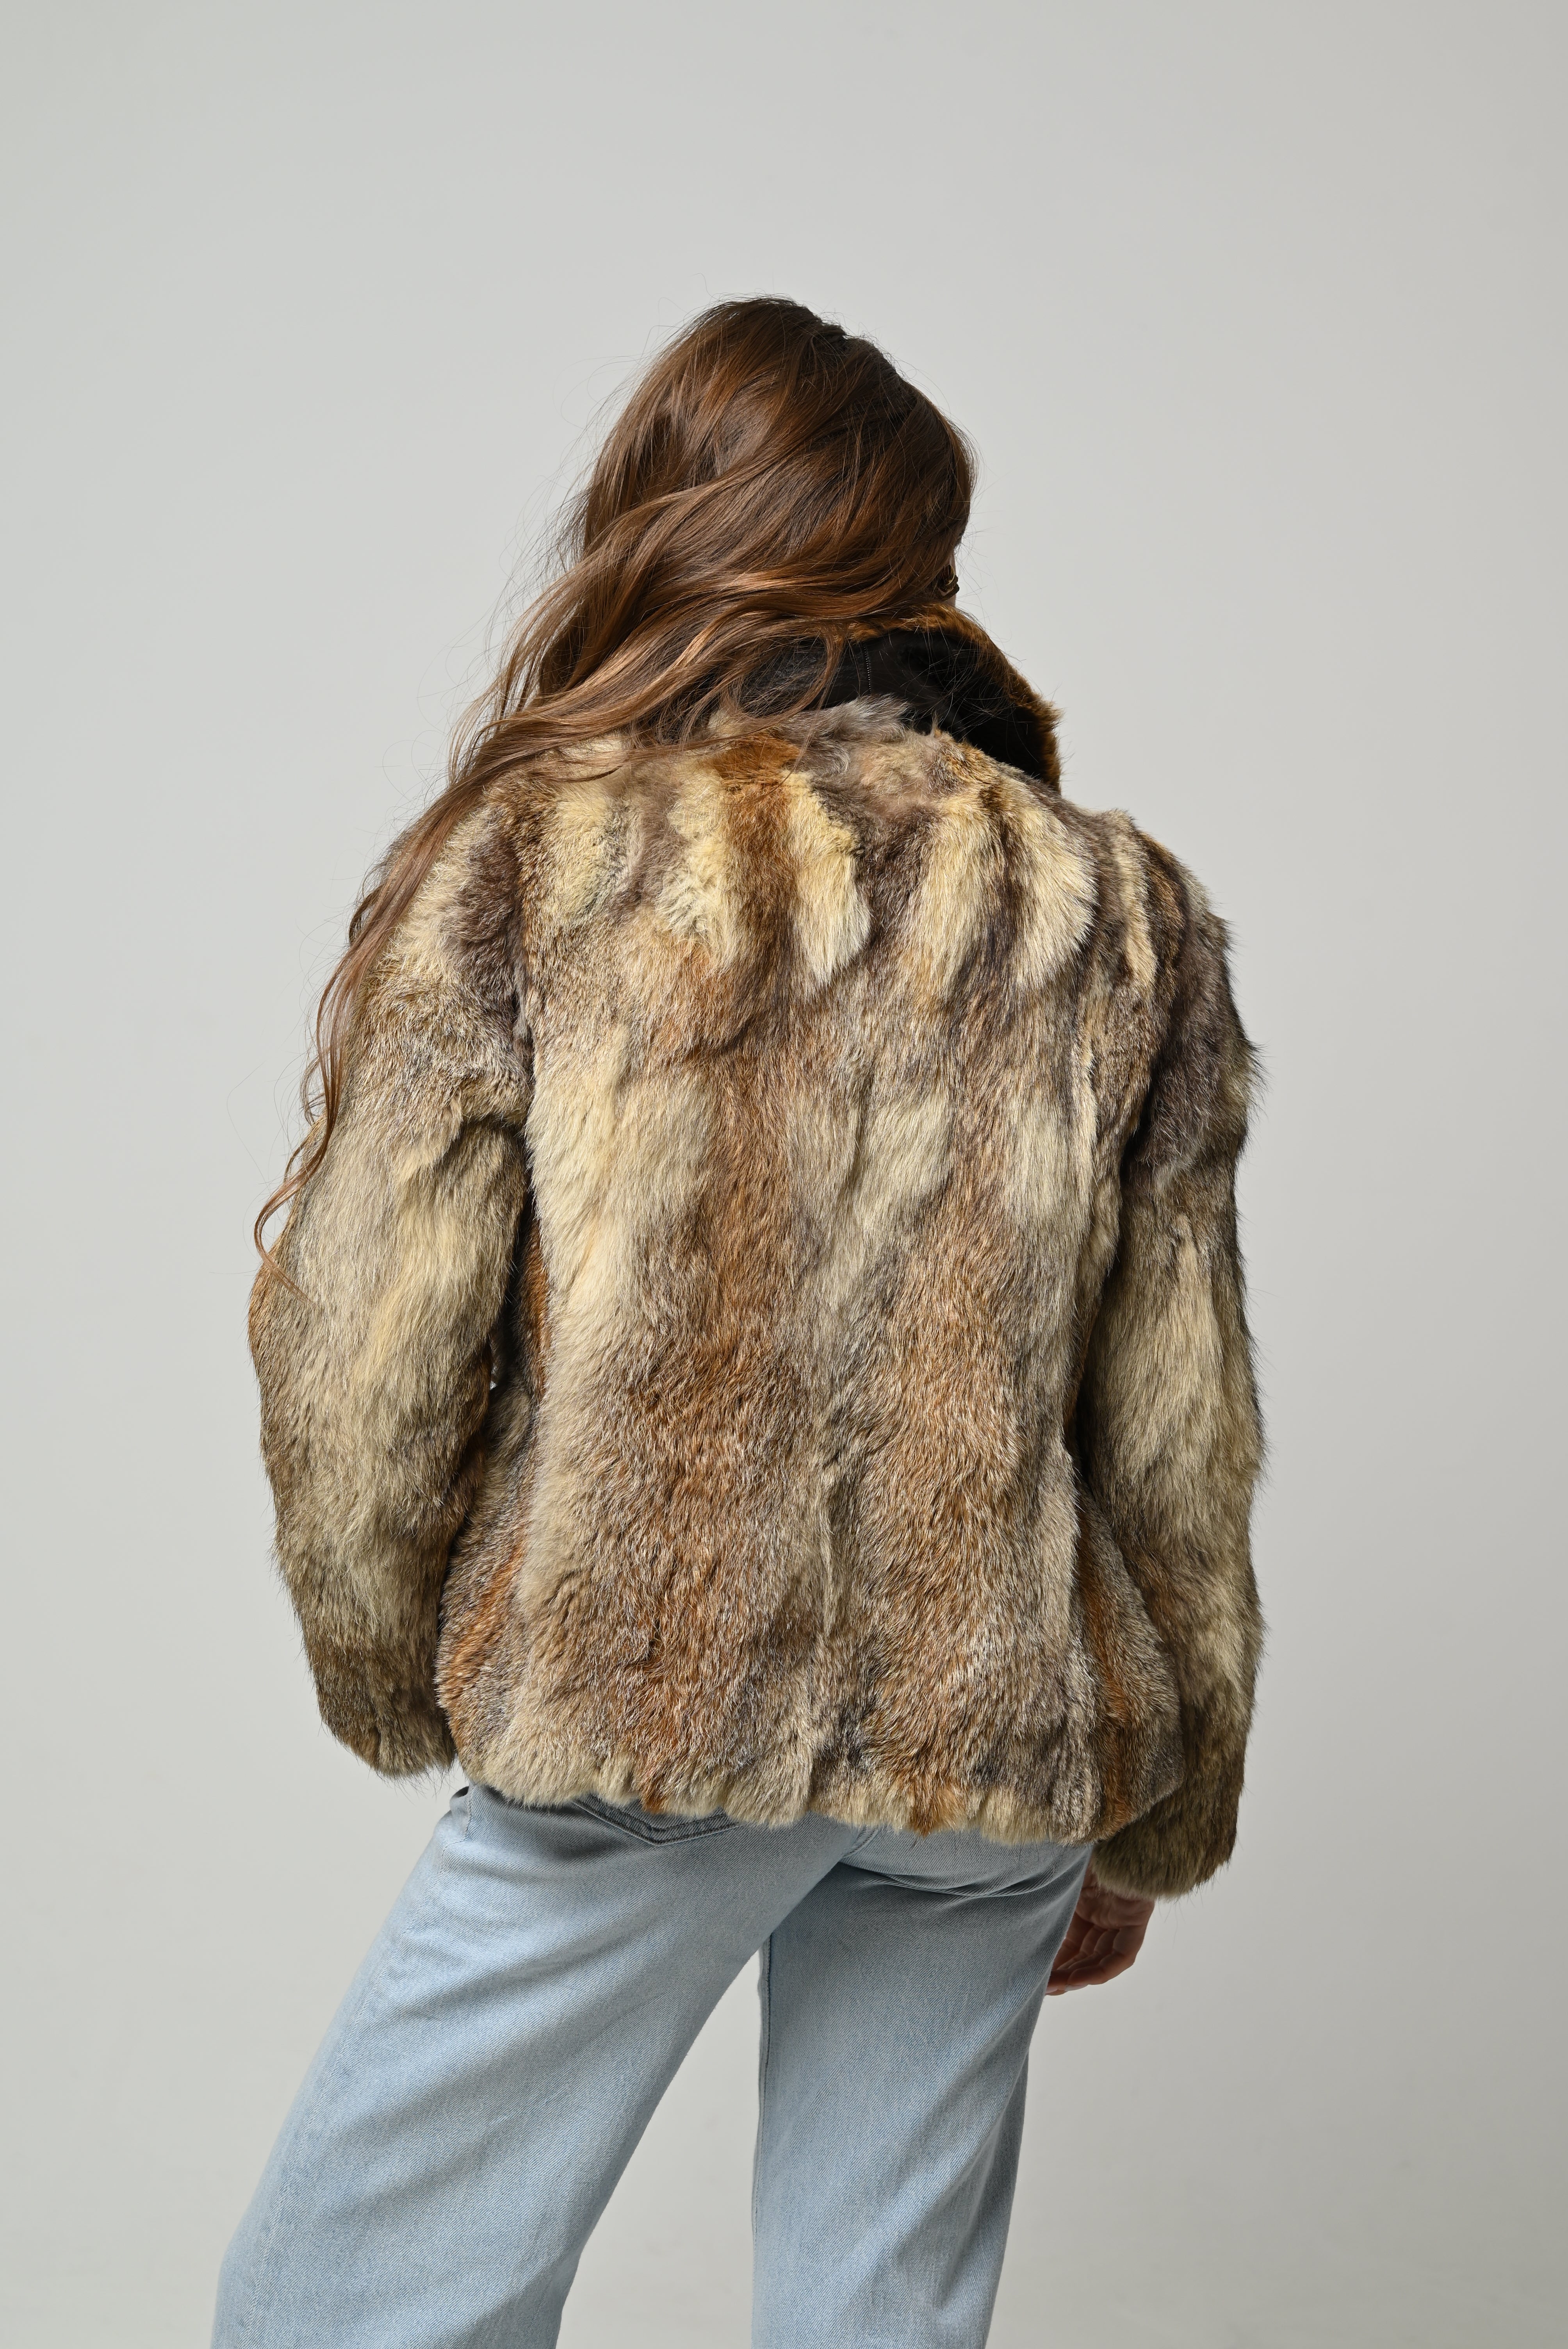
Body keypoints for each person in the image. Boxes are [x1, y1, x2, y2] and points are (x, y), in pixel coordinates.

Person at [215, 297, 1263, 2349]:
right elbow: (1175, 1419)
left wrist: (408, 1669)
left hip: (647, 1705)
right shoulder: (1121, 914)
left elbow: (362, 1351)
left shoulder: (542, 863)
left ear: (667, 514)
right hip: (995, 1742)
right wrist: (1152, 1807)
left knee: (336, 2311)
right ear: (921, 560)